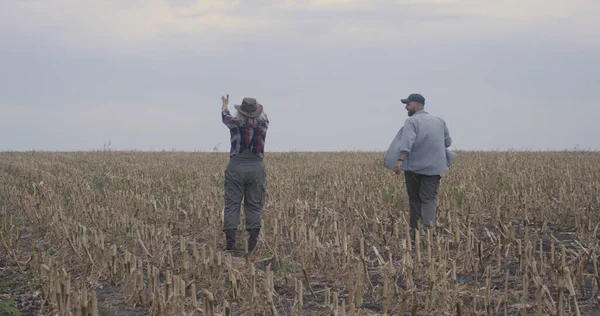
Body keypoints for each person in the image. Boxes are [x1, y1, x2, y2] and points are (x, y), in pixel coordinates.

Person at [386, 93, 453, 241]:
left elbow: (407, 143)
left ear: (417, 105)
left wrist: (399, 161)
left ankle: (415, 233)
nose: (406, 107)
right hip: (434, 168)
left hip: (414, 168)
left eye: (408, 104)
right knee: (429, 199)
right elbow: (447, 142)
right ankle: (429, 232)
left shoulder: (411, 122)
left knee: (415, 199)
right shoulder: (440, 121)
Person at [220, 94, 269, 254]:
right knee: (254, 205)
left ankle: (231, 244)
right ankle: (252, 243)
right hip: (256, 168)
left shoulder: (234, 124)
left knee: (232, 204)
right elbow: (263, 114)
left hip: (236, 167)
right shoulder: (263, 124)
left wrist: (225, 104)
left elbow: (224, 116)